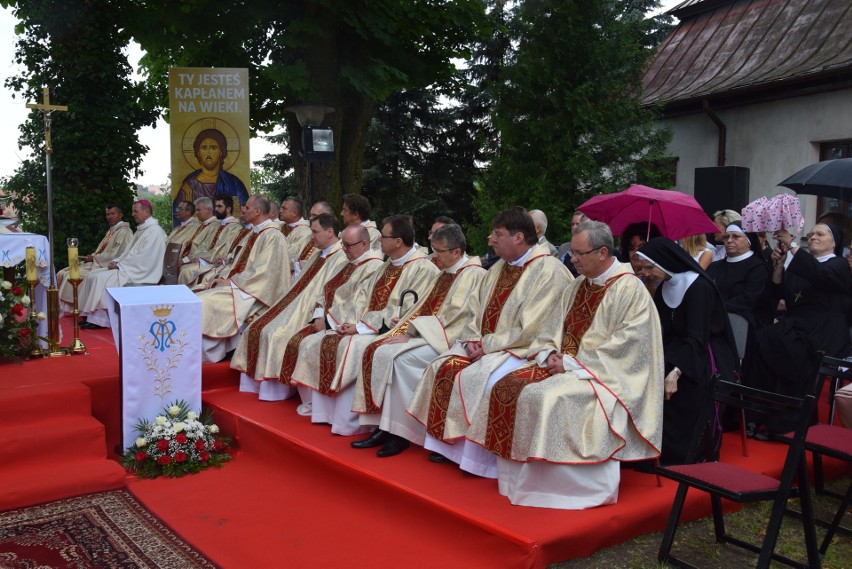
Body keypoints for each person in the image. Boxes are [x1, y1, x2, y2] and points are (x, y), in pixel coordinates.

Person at [462, 221, 663, 509]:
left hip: (603, 377)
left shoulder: (630, 289)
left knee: (543, 396)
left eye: (580, 254)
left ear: (603, 252)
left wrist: (571, 363)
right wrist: (549, 353)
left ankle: (559, 489)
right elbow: (551, 328)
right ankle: (517, 481)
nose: (573, 259)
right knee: (505, 385)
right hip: (563, 365)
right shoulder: (578, 285)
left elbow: (630, 347)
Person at [407, 207, 573, 477]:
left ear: (519, 238)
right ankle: (452, 448)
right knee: (443, 366)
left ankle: (478, 461)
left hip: (522, 350)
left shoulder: (548, 271)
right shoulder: (498, 268)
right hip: (486, 345)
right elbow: (476, 308)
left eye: (498, 234)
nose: (490, 239)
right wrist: (473, 338)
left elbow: (534, 327)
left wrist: (487, 345)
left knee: (482, 379)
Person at [290, 215, 439, 435]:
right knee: (315, 341)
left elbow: (404, 309)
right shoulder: (384, 266)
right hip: (364, 326)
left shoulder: (423, 269)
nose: (378, 242)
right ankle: (326, 413)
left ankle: (352, 422)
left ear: (398, 241)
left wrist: (361, 327)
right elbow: (361, 298)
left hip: (386, 330)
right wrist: (347, 322)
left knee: (350, 348)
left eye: (384, 237)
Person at [348, 224, 486, 457]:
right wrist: (405, 325)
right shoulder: (444, 273)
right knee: (381, 350)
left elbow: (458, 318)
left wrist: (414, 332)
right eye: (434, 249)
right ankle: (385, 426)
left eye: (440, 251)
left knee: (400, 360)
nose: (435, 256)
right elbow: (424, 305)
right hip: (429, 334)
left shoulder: (475, 275)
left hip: (450, 340)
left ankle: (401, 433)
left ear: (457, 251)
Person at [635, 238, 738, 465]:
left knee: (690, 389)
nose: (645, 273)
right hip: (676, 350)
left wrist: (675, 372)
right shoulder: (662, 287)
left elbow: (697, 336)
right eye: (642, 268)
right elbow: (663, 332)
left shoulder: (698, 287)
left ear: (664, 262)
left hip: (705, 353)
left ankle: (690, 453)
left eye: (649, 267)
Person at [744, 224, 852, 431]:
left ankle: (785, 422)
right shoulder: (799, 264)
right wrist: (778, 266)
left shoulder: (839, 265)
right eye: (810, 234)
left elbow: (819, 274)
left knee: (787, 346)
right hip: (796, 325)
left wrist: (792, 245)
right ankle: (757, 414)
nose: (813, 237)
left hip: (825, 328)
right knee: (760, 339)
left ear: (834, 242)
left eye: (820, 234)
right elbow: (778, 292)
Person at [233, 213, 351, 401]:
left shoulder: (340, 258)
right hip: (293, 304)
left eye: (315, 231)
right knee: (256, 327)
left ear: (330, 232)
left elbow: (333, 293)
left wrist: (320, 315)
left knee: (275, 334)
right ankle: (255, 386)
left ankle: (276, 391)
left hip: (308, 311)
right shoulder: (318, 254)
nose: (311, 236)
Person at [282, 226, 385, 412]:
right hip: (326, 319)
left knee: (309, 344)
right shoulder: (346, 262)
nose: (344, 249)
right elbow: (325, 290)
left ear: (363, 244)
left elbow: (358, 303)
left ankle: (323, 408)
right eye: (343, 244)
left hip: (345, 323)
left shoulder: (373, 266)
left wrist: (328, 322)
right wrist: (317, 317)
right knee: (295, 340)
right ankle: (313, 403)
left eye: (348, 245)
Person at [196, 195, 291, 363]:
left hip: (255, 294)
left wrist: (231, 282)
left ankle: (204, 355)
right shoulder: (253, 233)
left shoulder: (273, 237)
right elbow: (238, 263)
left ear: (257, 211)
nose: (243, 210)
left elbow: (264, 274)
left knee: (205, 302)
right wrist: (223, 275)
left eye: (246, 207)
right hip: (242, 286)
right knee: (199, 291)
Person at [78, 200, 168, 329]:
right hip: (130, 267)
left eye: (135, 211)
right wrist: (117, 261)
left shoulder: (155, 232)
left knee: (101, 278)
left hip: (141, 273)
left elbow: (145, 258)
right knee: (93, 275)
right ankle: (91, 316)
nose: (132, 214)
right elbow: (129, 253)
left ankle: (101, 320)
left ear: (146, 212)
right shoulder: (142, 230)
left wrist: (121, 265)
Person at [58, 204, 133, 310]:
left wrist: (94, 258)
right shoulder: (113, 230)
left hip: (107, 266)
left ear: (120, 215)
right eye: (107, 214)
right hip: (98, 262)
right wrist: (91, 256)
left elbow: (117, 253)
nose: (109, 217)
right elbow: (103, 250)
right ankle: (73, 308)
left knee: (71, 275)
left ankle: (77, 308)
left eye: (113, 213)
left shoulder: (124, 231)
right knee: (64, 271)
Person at [174, 128, 250, 220]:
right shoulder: (189, 186)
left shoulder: (234, 183)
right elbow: (178, 215)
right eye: (204, 148)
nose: (208, 153)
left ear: (221, 152)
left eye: (213, 148)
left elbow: (243, 213)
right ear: (198, 153)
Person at [706, 223, 770, 329]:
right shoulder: (714, 266)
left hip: (743, 325)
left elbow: (748, 300)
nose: (729, 240)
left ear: (749, 241)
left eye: (736, 236)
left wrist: (715, 307)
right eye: (726, 237)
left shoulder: (758, 268)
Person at [178, 195, 243, 285]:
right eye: (215, 206)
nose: (216, 209)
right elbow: (205, 245)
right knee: (184, 268)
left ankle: (191, 297)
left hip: (217, 263)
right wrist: (194, 257)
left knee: (186, 271)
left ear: (228, 209)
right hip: (206, 260)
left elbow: (222, 250)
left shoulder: (234, 228)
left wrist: (199, 258)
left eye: (219, 206)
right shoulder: (217, 226)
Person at [620, 222, 662, 295]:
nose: (636, 252)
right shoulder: (622, 278)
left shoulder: (662, 278)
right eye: (631, 247)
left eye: (641, 247)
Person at [555, 211, 588, 276]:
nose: (574, 227)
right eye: (573, 224)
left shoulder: (588, 249)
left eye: (577, 224)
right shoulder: (563, 248)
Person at [279, 197, 311, 262]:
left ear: (294, 213)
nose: (280, 211)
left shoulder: (305, 232)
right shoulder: (280, 226)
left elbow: (291, 256)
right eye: (281, 208)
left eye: (284, 209)